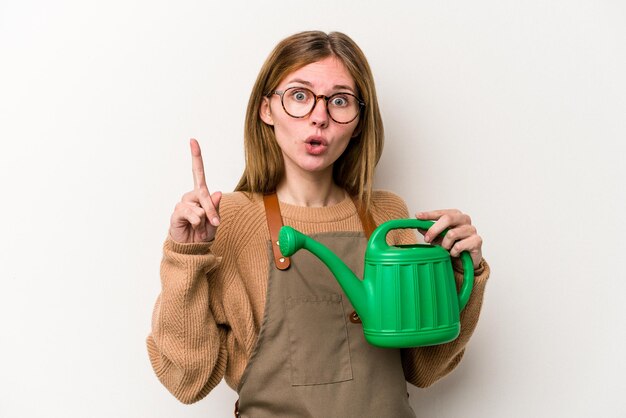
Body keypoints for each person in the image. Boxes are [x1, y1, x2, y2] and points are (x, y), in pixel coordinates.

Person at [147, 30, 489, 417]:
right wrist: (185, 254)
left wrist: (464, 272)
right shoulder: (230, 220)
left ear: (359, 121)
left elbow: (424, 369)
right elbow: (186, 381)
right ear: (266, 110)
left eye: (339, 101)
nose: (319, 117)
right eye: (299, 96)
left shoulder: (387, 214)